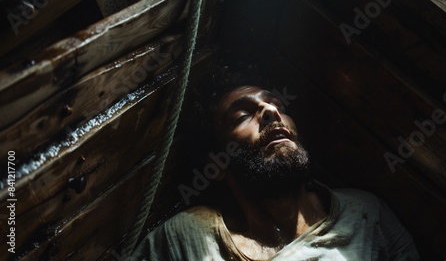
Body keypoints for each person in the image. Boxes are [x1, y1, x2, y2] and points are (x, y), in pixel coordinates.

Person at [131, 64, 420, 260]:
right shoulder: (187, 236)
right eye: (242, 115)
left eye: (277, 105)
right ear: (217, 165)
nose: (270, 111)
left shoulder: (365, 214)